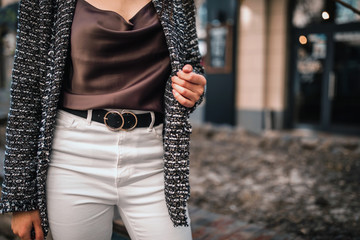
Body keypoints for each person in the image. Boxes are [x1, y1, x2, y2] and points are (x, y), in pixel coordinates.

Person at [0, 0, 206, 239]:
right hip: (72, 158)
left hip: (153, 160)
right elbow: (27, 91)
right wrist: (21, 198)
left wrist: (192, 89)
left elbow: (190, 66)